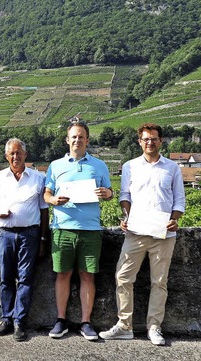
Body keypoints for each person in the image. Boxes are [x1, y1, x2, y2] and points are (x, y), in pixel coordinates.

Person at [99, 123, 185, 346]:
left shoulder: (172, 168)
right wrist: (126, 217)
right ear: (140, 142)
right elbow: (125, 195)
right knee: (123, 277)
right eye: (146, 139)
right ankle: (124, 325)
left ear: (160, 141)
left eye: (154, 139)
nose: (150, 142)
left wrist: (174, 220)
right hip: (135, 232)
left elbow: (179, 200)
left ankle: (154, 327)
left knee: (160, 282)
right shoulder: (130, 166)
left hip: (163, 234)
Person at [44, 120, 113, 341]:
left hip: (90, 230)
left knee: (87, 275)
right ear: (67, 140)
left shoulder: (100, 165)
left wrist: (107, 193)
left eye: (81, 136)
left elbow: (110, 192)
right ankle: (61, 320)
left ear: (87, 140)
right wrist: (54, 200)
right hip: (63, 229)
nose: (77, 140)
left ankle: (86, 322)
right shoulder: (55, 166)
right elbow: (46, 195)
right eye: (73, 136)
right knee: (62, 274)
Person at [0, 139, 49, 341]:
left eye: (18, 153)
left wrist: (43, 238)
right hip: (4, 233)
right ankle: (6, 318)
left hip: (29, 233)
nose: (15, 157)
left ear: (25, 154)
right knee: (5, 278)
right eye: (11, 154)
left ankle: (20, 321)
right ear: (6, 156)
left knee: (25, 278)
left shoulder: (38, 178)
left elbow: (44, 211)